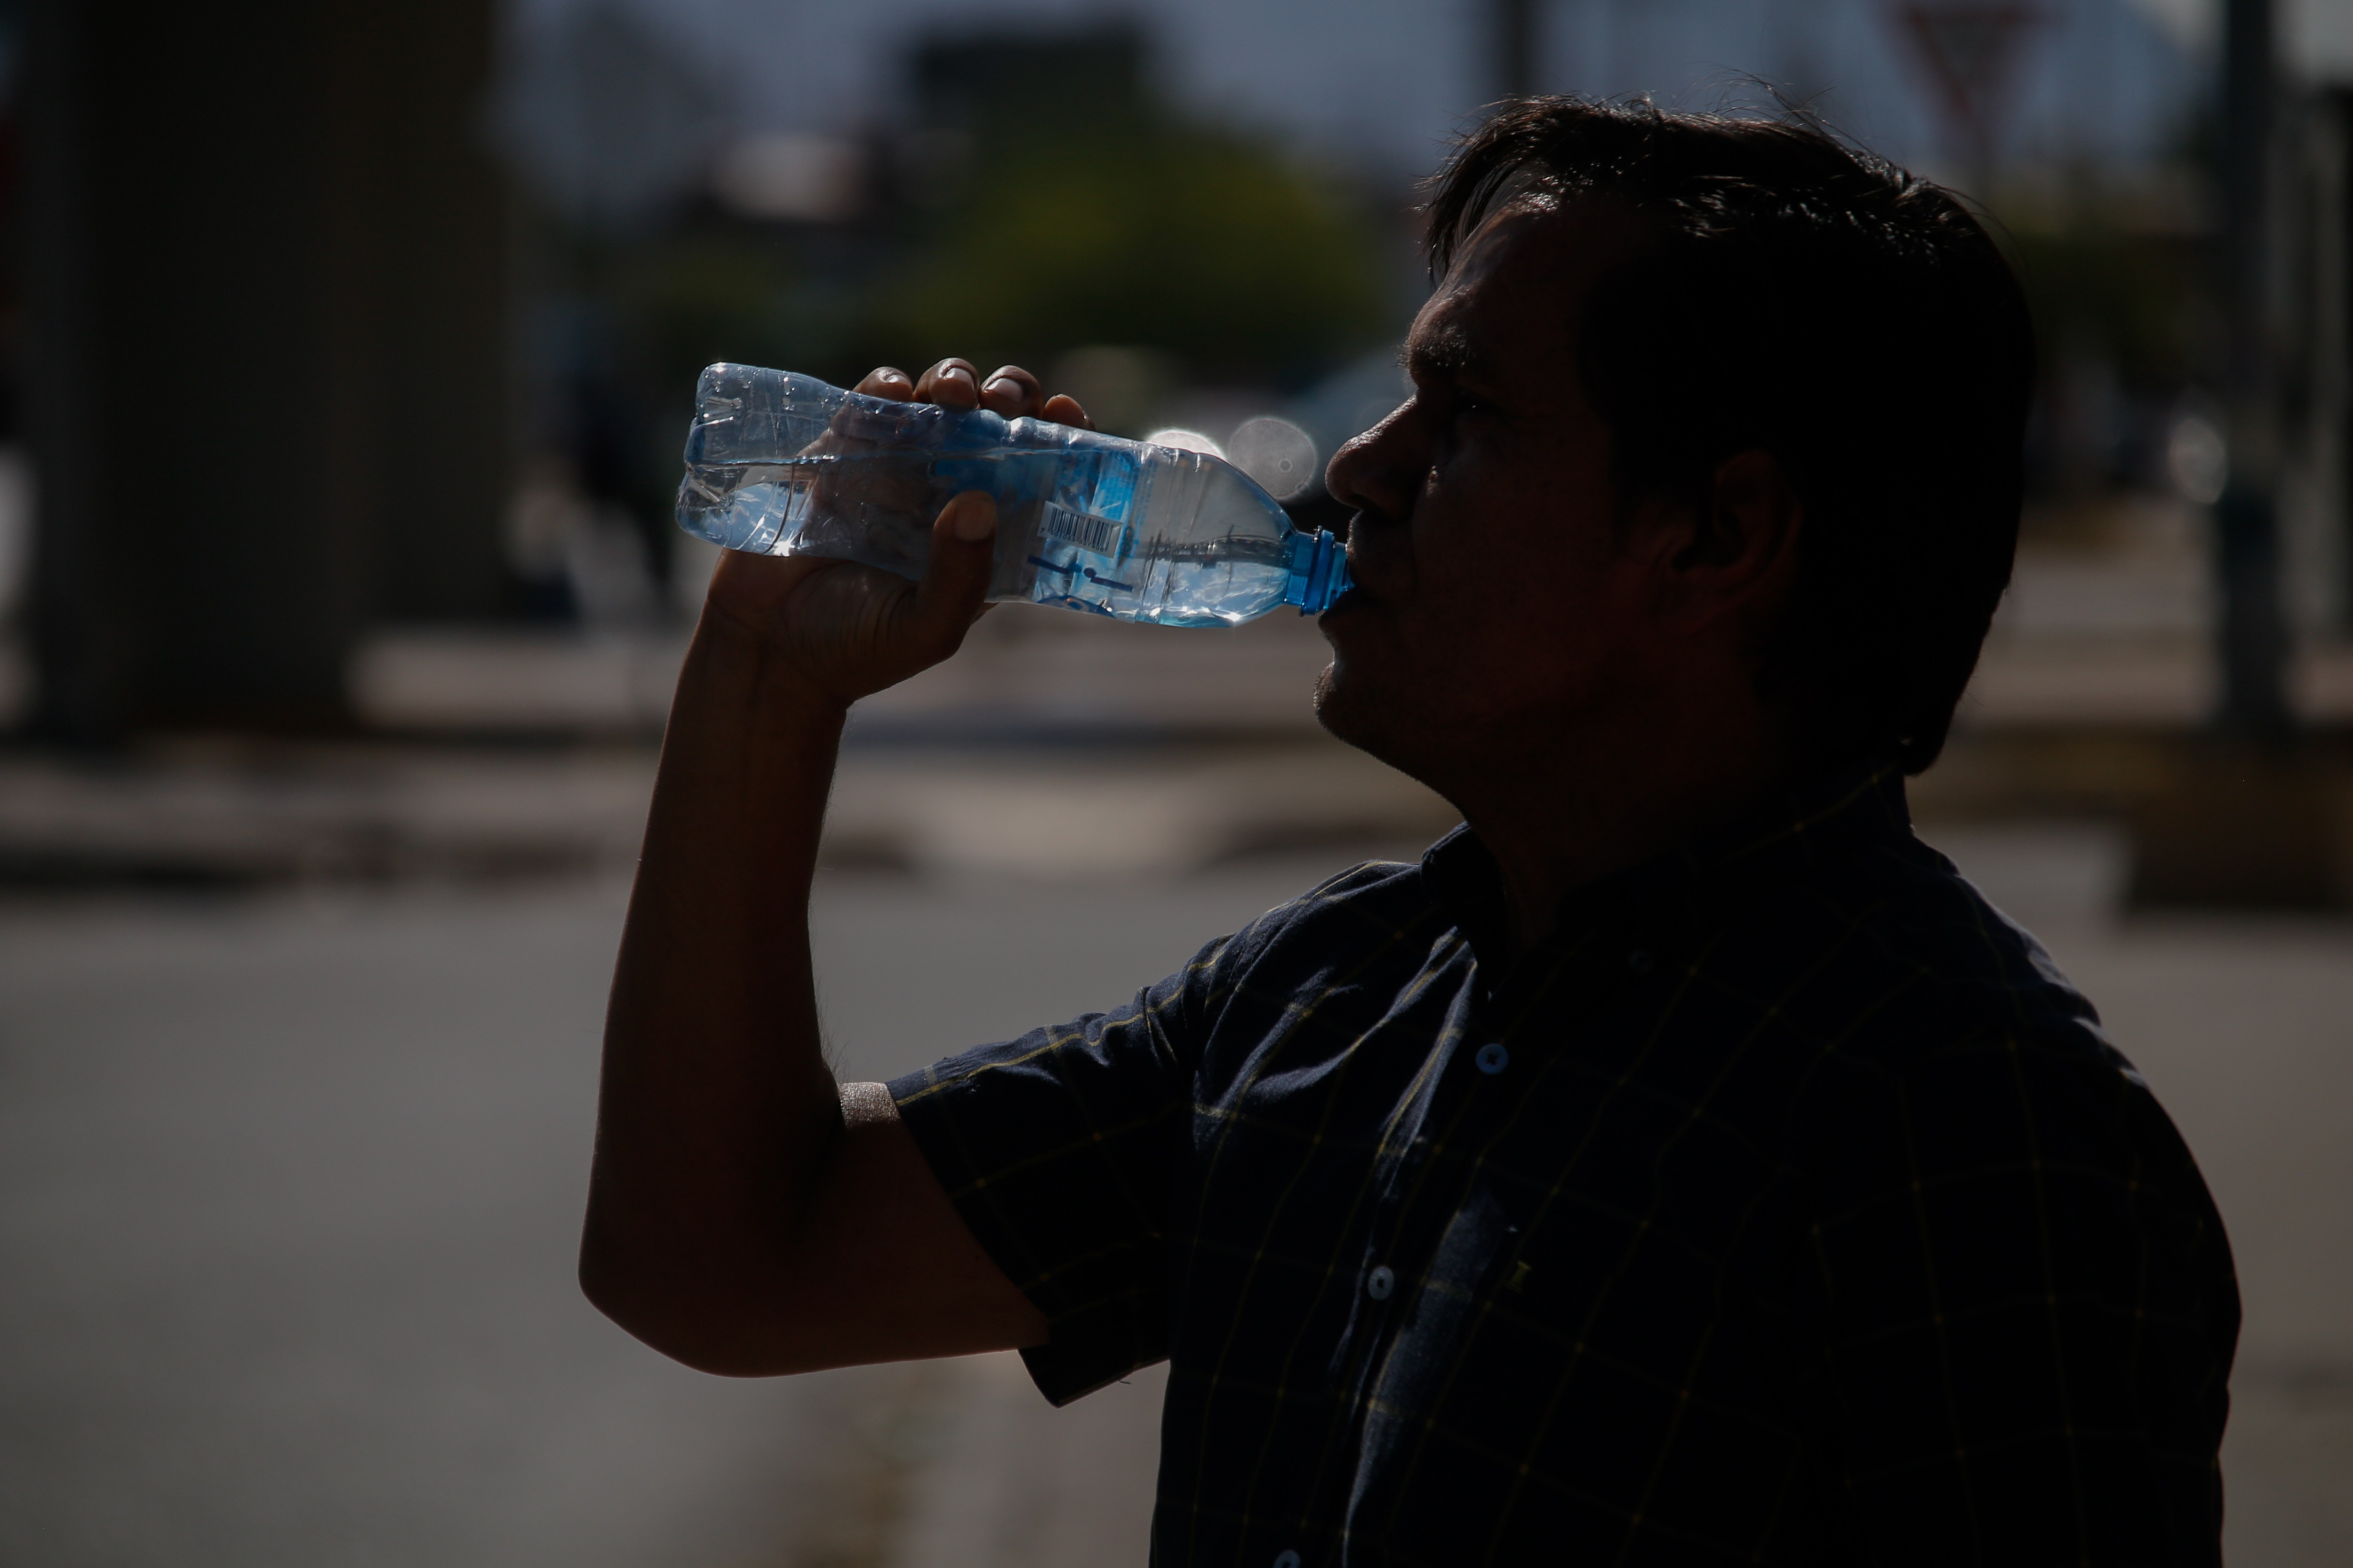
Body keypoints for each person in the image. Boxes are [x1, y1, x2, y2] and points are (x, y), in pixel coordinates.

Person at [580, 99, 2239, 1565]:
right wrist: (761, 678)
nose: (1361, 470)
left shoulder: (1972, 1132)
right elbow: (716, 1259)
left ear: (1716, 534)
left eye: (1468, 412)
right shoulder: (1325, 1003)